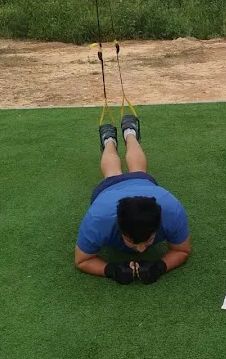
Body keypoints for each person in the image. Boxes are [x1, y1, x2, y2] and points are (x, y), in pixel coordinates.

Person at [75, 114, 191, 284]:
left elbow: (182, 250)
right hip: (108, 191)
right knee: (112, 173)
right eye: (131, 241)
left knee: (138, 171)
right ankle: (109, 140)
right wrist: (111, 270)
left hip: (144, 184)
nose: (141, 250)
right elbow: (82, 260)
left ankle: (129, 132)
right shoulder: (98, 219)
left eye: (149, 240)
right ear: (118, 227)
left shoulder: (172, 210)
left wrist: (160, 267)